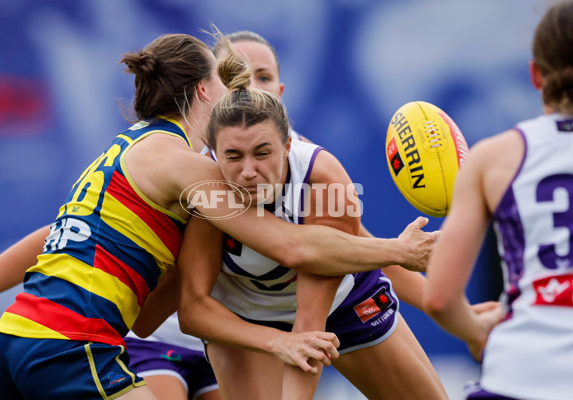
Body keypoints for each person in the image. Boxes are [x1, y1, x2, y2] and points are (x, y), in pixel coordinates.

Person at [0, 31, 439, 399]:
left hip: (16, 337)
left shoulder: (126, 149)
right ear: (205, 90)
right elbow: (291, 246)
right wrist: (398, 249)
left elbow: (59, 237)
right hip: (72, 344)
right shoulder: (192, 170)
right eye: (225, 81)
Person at [135, 52, 448, 399]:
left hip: (340, 307)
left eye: (262, 152)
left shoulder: (323, 180)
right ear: (215, 152)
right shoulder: (207, 187)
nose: (248, 172)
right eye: (233, 156)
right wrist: (278, 341)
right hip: (245, 317)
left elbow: (310, 322)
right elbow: (193, 311)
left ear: (287, 145)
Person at [423, 1, 573, 399]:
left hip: (522, 374)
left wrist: (475, 331)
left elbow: (439, 297)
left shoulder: (495, 157)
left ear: (535, 74)